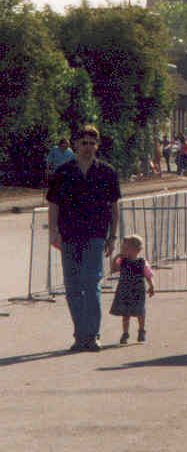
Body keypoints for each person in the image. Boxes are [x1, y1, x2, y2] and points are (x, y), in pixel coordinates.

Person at [47, 124, 121, 352]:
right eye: (83, 143)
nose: (87, 147)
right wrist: (53, 231)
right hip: (69, 235)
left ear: (97, 145)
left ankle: (93, 334)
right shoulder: (63, 172)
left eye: (92, 143)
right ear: (75, 144)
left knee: (91, 283)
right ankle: (80, 334)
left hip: (96, 235)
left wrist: (113, 236)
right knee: (72, 286)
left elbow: (114, 206)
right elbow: (53, 204)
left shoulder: (107, 172)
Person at [109, 234, 155, 344]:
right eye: (123, 248)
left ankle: (141, 330)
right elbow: (114, 269)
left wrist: (152, 286)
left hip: (138, 290)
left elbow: (148, 275)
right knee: (125, 313)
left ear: (136, 250)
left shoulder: (142, 262)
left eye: (126, 248)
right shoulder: (123, 261)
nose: (123, 250)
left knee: (140, 311)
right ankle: (125, 333)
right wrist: (116, 257)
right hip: (125, 290)